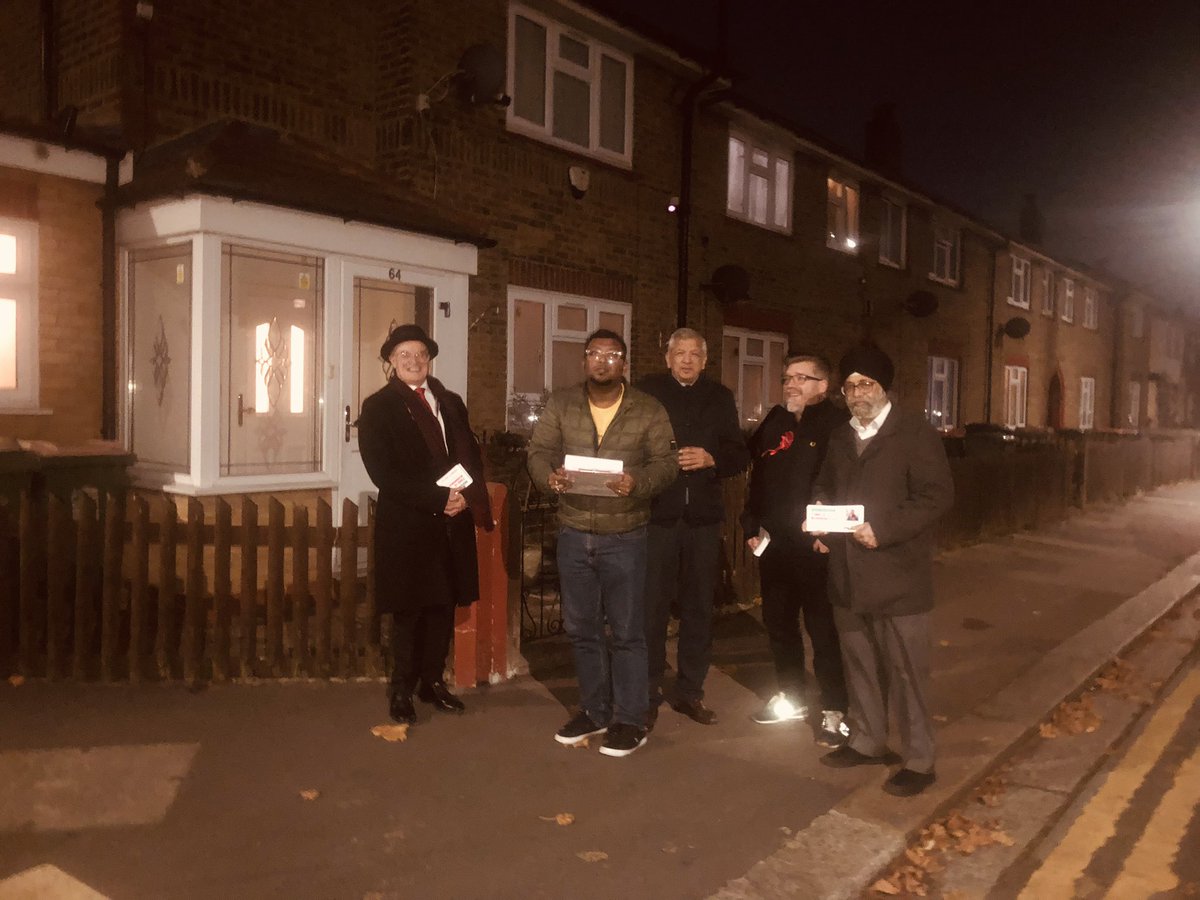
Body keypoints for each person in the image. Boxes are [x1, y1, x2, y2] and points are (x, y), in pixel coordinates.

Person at [811, 343, 954, 797]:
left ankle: (919, 758)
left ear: (884, 387)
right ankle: (869, 740)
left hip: (898, 574)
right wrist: (820, 513)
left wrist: (884, 529)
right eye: (850, 385)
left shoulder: (914, 432)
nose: (856, 392)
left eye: (866, 383)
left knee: (907, 672)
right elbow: (826, 486)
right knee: (860, 665)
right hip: (848, 574)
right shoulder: (840, 435)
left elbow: (936, 495)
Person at [527, 329, 677, 757]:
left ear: (624, 363)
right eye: (596, 354)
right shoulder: (562, 403)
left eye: (613, 355)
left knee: (628, 633)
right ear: (584, 360)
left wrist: (639, 482)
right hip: (574, 533)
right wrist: (548, 477)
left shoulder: (647, 409)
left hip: (626, 535)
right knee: (582, 631)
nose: (603, 361)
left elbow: (666, 464)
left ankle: (631, 719)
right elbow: (538, 451)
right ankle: (594, 711)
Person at [357, 324, 492, 725]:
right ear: (390, 363)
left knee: (442, 604)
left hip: (452, 518)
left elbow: (469, 452)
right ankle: (402, 688)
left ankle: (432, 682)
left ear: (429, 359)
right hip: (410, 522)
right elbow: (383, 472)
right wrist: (438, 499)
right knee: (410, 610)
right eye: (404, 355)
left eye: (420, 354)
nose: (414, 361)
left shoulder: (450, 401)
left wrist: (464, 496)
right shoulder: (378, 407)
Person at [637, 327, 749, 727]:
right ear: (667, 358)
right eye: (679, 353)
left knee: (699, 609)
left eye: (695, 354)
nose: (686, 360)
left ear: (704, 360)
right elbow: (628, 446)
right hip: (657, 518)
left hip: (702, 520)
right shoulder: (646, 391)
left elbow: (739, 454)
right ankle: (647, 692)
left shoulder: (719, 397)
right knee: (650, 610)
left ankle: (689, 692)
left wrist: (711, 457)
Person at [742, 354, 851, 746]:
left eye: (802, 379)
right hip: (775, 546)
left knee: (823, 631)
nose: (791, 385)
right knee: (779, 625)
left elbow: (847, 484)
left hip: (817, 547)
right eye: (787, 378)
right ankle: (791, 696)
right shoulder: (776, 420)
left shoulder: (838, 426)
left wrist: (834, 535)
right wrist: (751, 523)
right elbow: (758, 475)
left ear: (823, 385)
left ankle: (836, 709)